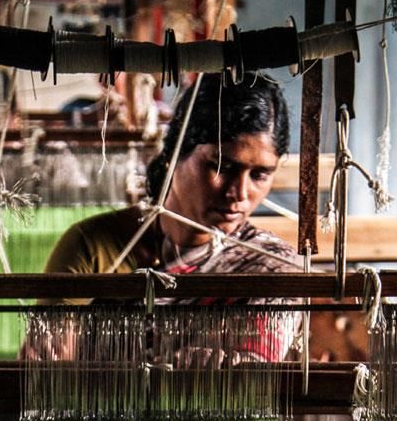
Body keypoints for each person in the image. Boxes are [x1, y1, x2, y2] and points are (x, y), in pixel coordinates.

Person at [41, 72, 302, 295]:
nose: (240, 193)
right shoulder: (93, 250)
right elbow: (49, 353)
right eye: (222, 167)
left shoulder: (267, 270)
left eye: (259, 175)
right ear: (174, 155)